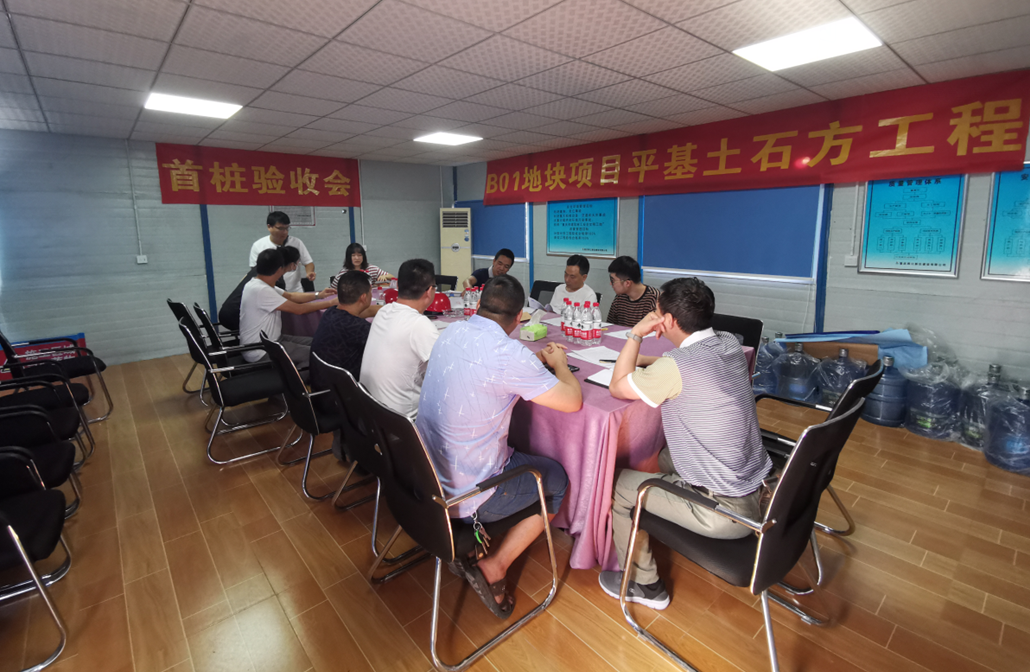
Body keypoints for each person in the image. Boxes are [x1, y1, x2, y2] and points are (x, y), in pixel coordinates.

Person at [598, 277, 772, 610]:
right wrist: (651, 363)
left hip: (724, 509)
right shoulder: (728, 342)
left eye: (656, 310)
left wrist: (636, 334)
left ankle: (644, 584)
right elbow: (685, 366)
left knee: (617, 484)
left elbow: (618, 386)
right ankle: (655, 511)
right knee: (661, 456)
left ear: (668, 320)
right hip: (759, 489)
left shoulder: (676, 366)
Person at [417, 275, 581, 618]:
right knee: (556, 479)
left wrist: (532, 363)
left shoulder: (451, 332)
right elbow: (572, 401)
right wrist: (560, 366)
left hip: (425, 480)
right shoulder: (508, 353)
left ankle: (471, 549)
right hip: (468, 495)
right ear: (520, 317)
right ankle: (495, 566)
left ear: (478, 305)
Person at [359, 258, 439, 418]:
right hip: (401, 423)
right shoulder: (420, 325)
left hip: (369, 414)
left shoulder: (383, 311)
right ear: (429, 291)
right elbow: (444, 376)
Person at [310, 270, 374, 462]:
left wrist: (386, 309)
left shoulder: (331, 313)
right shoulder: (358, 328)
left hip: (321, 392)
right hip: (339, 401)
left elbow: (364, 312)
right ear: (364, 297)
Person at [239, 248, 337, 370]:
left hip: (271, 341)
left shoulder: (257, 284)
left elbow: (291, 296)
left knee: (318, 342)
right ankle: (296, 380)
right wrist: (331, 302)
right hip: (262, 351)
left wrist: (319, 295)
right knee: (317, 353)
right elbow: (299, 309)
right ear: (279, 269)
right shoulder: (262, 290)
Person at [219, 246, 301, 332]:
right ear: (292, 265)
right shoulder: (272, 279)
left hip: (226, 312)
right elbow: (290, 304)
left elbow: (288, 296)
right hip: (234, 315)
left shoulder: (260, 271)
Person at [249, 211, 315, 293]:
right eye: (280, 228)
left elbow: (308, 262)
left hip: (295, 291)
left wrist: (309, 272)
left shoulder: (296, 242)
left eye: (287, 228)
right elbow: (255, 271)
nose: (285, 232)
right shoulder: (258, 245)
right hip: (271, 291)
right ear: (269, 227)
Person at [606, 256, 660, 328]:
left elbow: (657, 331)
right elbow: (609, 326)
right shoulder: (620, 297)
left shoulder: (654, 298)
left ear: (627, 283)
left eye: (613, 280)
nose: (610, 283)